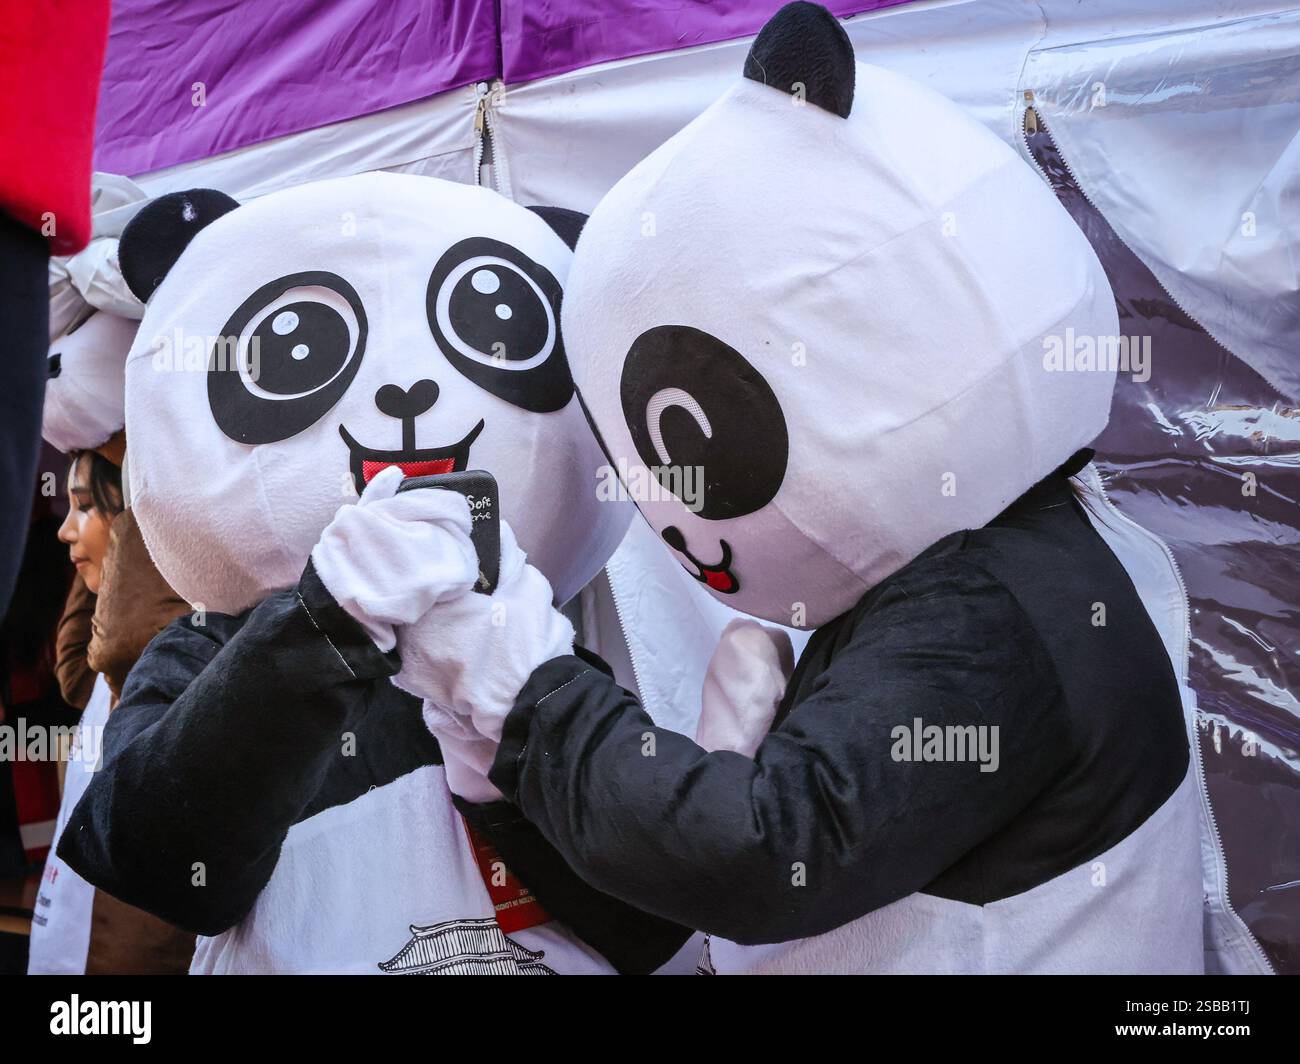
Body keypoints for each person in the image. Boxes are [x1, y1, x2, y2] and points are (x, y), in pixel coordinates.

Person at [390, 3, 1207, 974]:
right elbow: (679, 915)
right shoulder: (994, 556)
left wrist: (529, 685)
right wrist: (510, 768)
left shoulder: (990, 606)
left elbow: (761, 859)